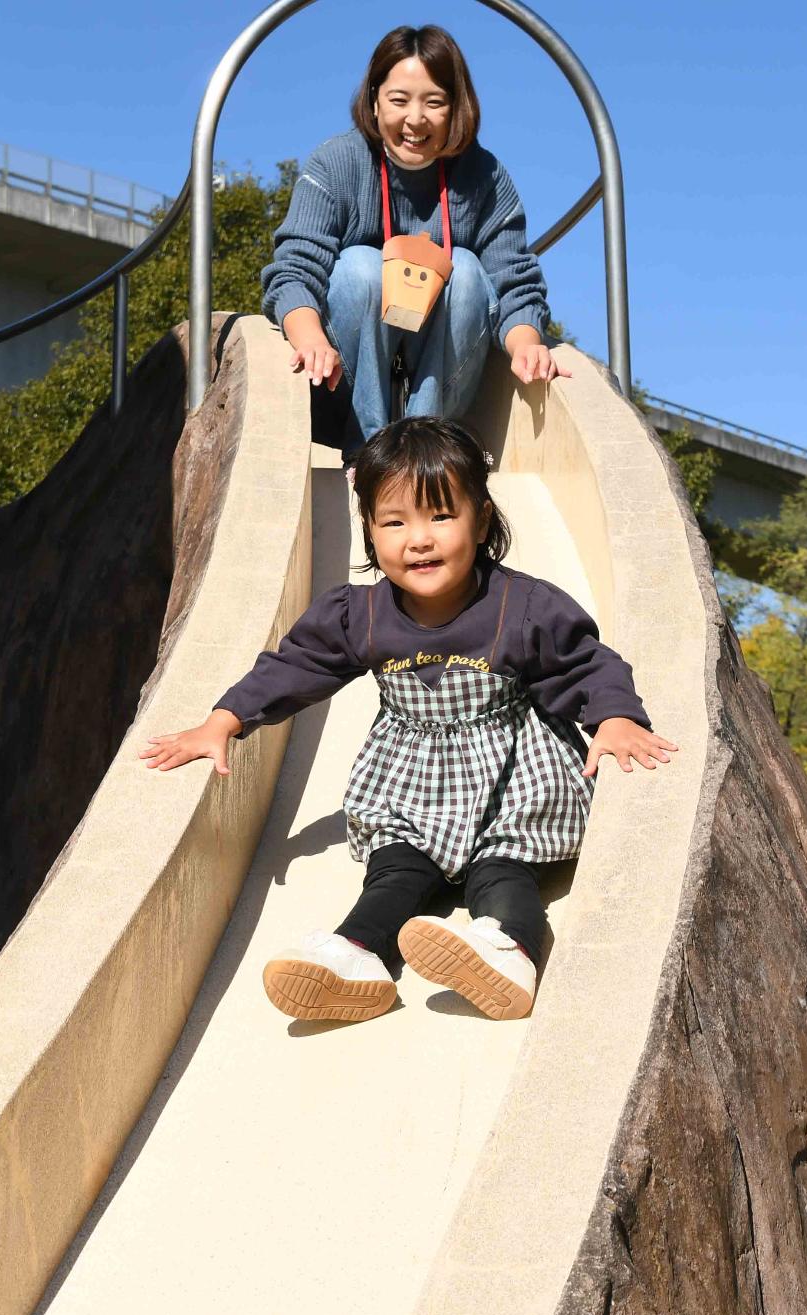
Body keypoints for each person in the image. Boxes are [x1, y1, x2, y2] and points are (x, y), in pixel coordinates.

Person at [140, 417, 675, 1023]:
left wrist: (615, 719)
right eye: (394, 522)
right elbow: (294, 667)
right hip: (413, 782)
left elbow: (585, 665)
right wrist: (224, 720)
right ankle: (357, 954)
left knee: (503, 873)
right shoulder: (359, 614)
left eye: (441, 517)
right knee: (393, 871)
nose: (418, 539)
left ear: (481, 519)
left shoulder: (523, 607)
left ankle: (507, 949)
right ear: (369, 531)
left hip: (510, 777)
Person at [261, 24, 566, 455]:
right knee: (360, 267)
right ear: (374, 99)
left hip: (441, 379)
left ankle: (427, 442)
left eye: (435, 102)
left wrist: (527, 345)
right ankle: (369, 450)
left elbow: (512, 280)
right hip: (345, 383)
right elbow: (294, 268)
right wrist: (310, 338)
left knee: (466, 269)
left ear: (457, 107)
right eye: (399, 100)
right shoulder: (337, 162)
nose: (415, 119)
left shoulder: (486, 178)